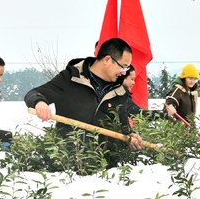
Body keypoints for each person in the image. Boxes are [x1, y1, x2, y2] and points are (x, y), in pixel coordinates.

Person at [24, 37, 141, 167]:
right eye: (123, 67)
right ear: (107, 60)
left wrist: (130, 136)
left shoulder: (120, 92)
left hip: (106, 168)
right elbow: (34, 93)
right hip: (69, 165)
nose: (124, 72)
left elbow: (123, 126)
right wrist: (40, 102)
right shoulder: (71, 78)